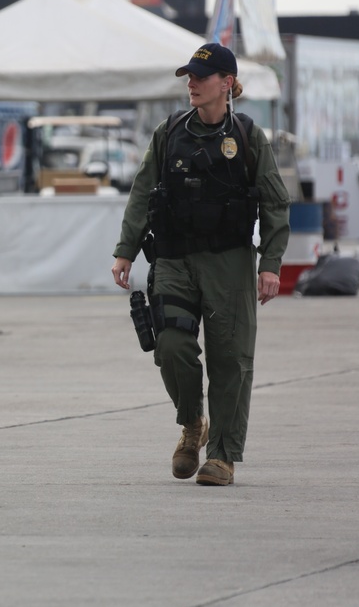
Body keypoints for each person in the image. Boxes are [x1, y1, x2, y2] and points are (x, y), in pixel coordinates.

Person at [111, 43, 291, 486]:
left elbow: (275, 202)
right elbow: (141, 191)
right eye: (188, 76)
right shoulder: (169, 131)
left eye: (201, 76)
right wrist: (125, 248)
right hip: (174, 257)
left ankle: (222, 456)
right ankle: (193, 423)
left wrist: (270, 263)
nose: (191, 82)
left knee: (230, 359)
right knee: (170, 346)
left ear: (226, 84)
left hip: (229, 261)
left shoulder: (248, 136)